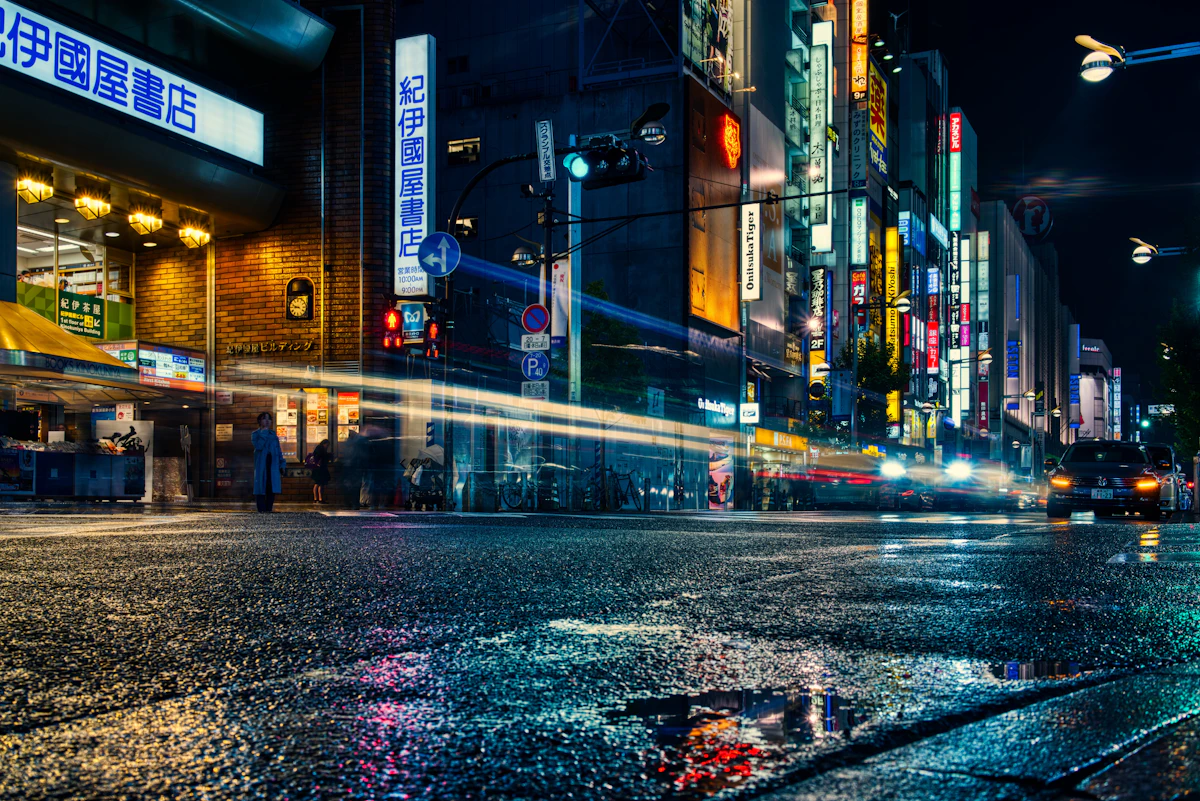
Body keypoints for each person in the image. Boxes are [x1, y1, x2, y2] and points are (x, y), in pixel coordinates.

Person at [252, 412, 285, 512]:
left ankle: (269, 509)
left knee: (271, 486)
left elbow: (278, 451)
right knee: (261, 486)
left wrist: (282, 463)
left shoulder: (274, 435)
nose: (267, 421)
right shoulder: (256, 434)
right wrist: (264, 433)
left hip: (273, 463)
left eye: (269, 419)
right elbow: (258, 446)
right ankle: (261, 510)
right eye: (264, 419)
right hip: (262, 464)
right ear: (259, 421)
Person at [309, 439, 331, 504]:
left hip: (317, 469)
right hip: (320, 469)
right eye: (327, 445)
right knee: (319, 484)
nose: (327, 446)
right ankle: (319, 499)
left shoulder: (318, 449)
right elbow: (323, 458)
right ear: (324, 443)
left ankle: (316, 499)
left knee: (318, 483)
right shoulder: (321, 449)